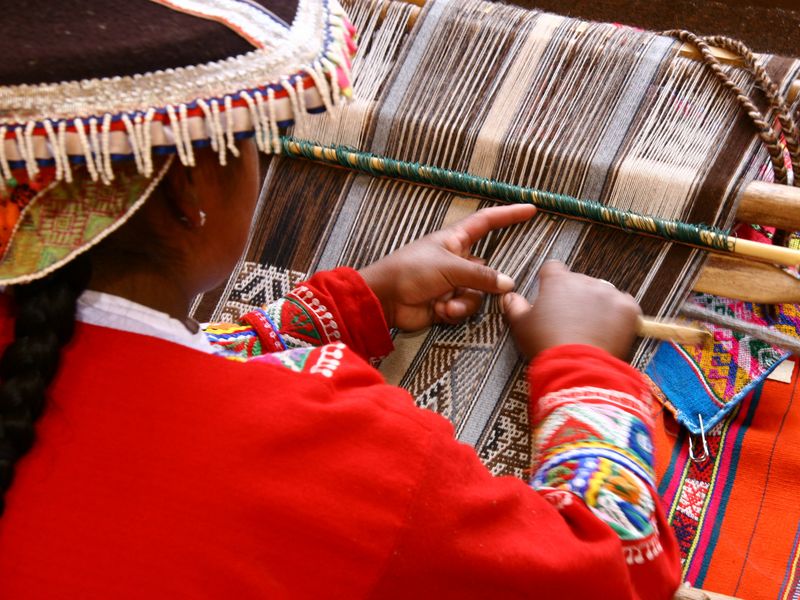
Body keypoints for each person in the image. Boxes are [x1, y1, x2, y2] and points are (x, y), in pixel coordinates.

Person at [0, 0, 680, 597]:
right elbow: (608, 574)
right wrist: (584, 367)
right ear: (189, 192)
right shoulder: (347, 457)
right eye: (255, 142)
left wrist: (348, 307)